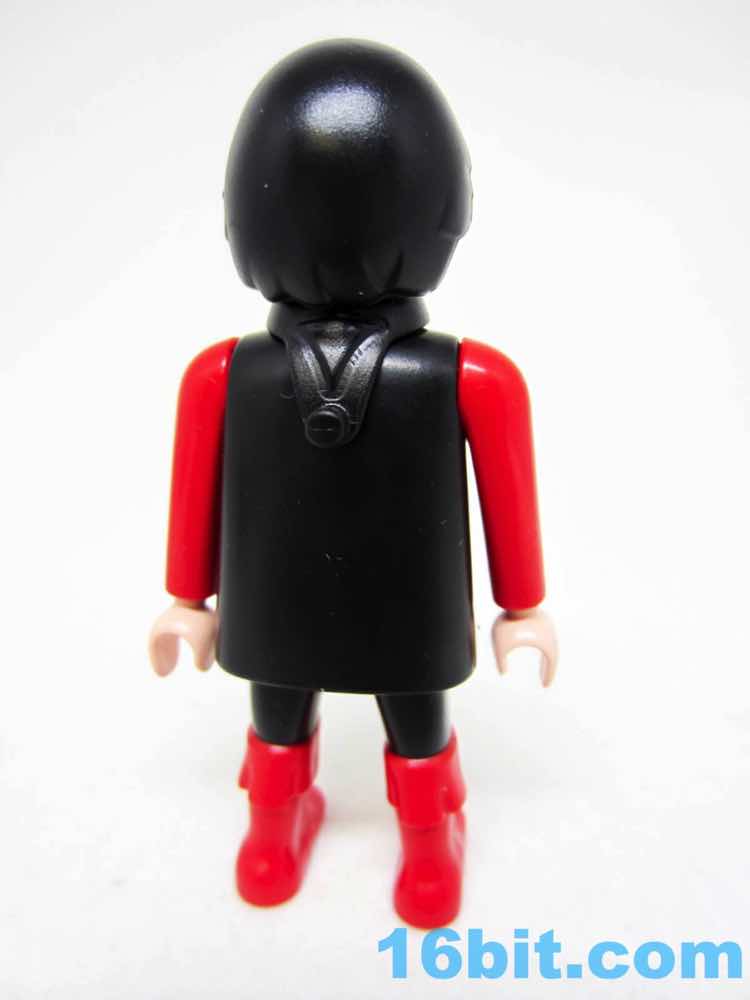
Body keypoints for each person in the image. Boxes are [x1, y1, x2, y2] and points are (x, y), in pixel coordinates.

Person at [148, 38, 558, 928]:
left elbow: (506, 497)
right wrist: (187, 597)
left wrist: (523, 608)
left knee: (406, 715)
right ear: (444, 212)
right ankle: (279, 819)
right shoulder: (225, 375)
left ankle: (425, 836)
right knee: (287, 709)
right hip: (295, 592)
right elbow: (195, 487)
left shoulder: (468, 378)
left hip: (384, 596)